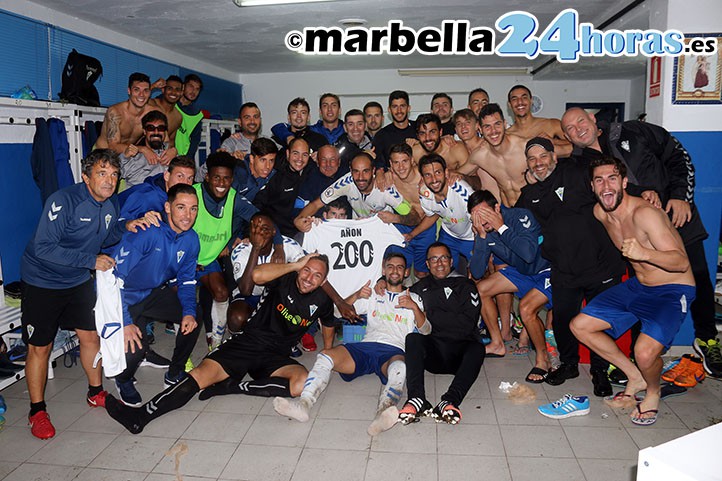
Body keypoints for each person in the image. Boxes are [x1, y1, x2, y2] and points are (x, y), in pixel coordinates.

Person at [561, 107, 721, 378]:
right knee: (641, 286)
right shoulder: (580, 160)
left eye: (580, 121)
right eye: (570, 129)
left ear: (592, 119)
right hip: (635, 230)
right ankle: (639, 357)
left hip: (675, 214)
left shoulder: (633, 130)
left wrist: (681, 195)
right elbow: (605, 191)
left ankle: (708, 340)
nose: (578, 129)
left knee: (698, 276)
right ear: (568, 137)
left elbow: (678, 156)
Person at [105, 254, 335, 434]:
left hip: (275, 357)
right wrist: (295, 265)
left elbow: (328, 322)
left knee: (301, 383)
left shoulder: (323, 300)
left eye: (317, 275)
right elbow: (257, 275)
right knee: (198, 376)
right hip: (246, 342)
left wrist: (327, 350)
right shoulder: (284, 278)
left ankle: (231, 387)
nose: (308, 278)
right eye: (307, 270)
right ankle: (141, 416)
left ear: (323, 280)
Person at [20, 149, 149, 439]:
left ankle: (95, 392)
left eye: (114, 174)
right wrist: (90, 261)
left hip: (77, 280)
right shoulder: (64, 201)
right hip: (43, 281)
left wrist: (125, 226)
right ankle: (37, 410)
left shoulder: (110, 205)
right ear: (86, 177)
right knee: (40, 347)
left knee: (91, 337)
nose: (109, 180)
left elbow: (106, 235)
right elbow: (44, 247)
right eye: (102, 173)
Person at [571, 157, 695, 425]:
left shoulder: (646, 214)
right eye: (599, 180)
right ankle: (634, 376)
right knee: (580, 326)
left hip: (673, 289)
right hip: (639, 287)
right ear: (592, 186)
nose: (606, 185)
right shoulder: (600, 213)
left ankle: (653, 391)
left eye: (612, 178)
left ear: (625, 182)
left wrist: (644, 253)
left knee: (645, 352)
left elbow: (681, 262)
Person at [273, 253, 430, 435]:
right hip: (365, 346)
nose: (394, 270)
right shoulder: (373, 294)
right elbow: (338, 315)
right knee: (326, 355)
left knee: (400, 368)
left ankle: (384, 412)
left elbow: (426, 330)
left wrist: (414, 307)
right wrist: (356, 295)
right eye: (390, 266)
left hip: (393, 350)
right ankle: (304, 404)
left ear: (406, 272)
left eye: (400, 267)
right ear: (383, 270)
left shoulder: (414, 298)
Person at [516, 137, 624, 395]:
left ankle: (600, 370)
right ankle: (569, 364)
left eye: (543, 156)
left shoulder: (576, 172)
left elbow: (607, 178)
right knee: (563, 319)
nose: (538, 162)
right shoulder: (529, 194)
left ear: (555, 157)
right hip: (563, 269)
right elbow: (517, 223)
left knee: (600, 320)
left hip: (601, 265)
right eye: (532, 158)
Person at [108, 183, 202, 405]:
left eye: (193, 209)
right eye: (181, 207)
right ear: (167, 208)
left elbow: (187, 280)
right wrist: (125, 321)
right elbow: (111, 279)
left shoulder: (191, 239)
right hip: (122, 296)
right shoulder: (146, 232)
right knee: (135, 350)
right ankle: (123, 379)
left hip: (151, 293)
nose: (188, 215)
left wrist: (187, 312)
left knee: (194, 313)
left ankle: (174, 373)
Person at [468, 189, 552, 381]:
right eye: (477, 216)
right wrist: (480, 238)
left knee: (526, 308)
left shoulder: (520, 216)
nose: (483, 220)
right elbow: (478, 272)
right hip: (521, 272)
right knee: (480, 290)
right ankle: (497, 343)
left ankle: (543, 358)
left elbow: (529, 254)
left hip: (547, 270)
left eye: (486, 214)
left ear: (497, 208)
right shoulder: (484, 230)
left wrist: (502, 227)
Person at [397, 242, 485, 425]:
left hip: (461, 355)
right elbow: (397, 293)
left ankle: (450, 401)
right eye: (434, 259)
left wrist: (430, 315)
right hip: (435, 354)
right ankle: (416, 399)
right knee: (413, 339)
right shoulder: (421, 286)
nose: (439, 263)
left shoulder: (465, 285)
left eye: (444, 258)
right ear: (427, 264)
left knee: (478, 348)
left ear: (451, 261)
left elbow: (466, 325)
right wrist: (382, 283)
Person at [294, 152, 418, 231]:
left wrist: (396, 218)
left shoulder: (386, 190)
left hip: (382, 230)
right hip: (358, 230)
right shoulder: (346, 182)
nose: (360, 177)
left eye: (365, 171)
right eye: (356, 171)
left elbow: (415, 217)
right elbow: (316, 204)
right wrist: (298, 219)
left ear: (373, 171)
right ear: (350, 171)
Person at [227, 213, 305, 334]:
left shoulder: (289, 245)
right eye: (255, 229)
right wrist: (256, 248)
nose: (259, 233)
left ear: (274, 232)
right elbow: (246, 290)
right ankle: (242, 342)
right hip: (251, 295)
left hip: (280, 296)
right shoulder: (241, 249)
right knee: (237, 318)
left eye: (264, 229)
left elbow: (306, 272)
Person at [456, 103, 529, 207]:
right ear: (480, 129)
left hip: (531, 207)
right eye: (487, 127)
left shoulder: (524, 146)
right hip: (507, 210)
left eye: (497, 124)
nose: (493, 131)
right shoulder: (479, 155)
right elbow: (457, 174)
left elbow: (556, 153)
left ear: (504, 124)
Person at [386, 143, 436, 279]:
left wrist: (413, 234)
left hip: (426, 227)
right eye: (396, 162)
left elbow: (435, 214)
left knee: (422, 272)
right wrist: (380, 173)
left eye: (404, 161)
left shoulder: (426, 178)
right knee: (400, 270)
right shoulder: (391, 177)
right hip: (403, 224)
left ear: (412, 160)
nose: (401, 167)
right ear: (390, 164)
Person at [253, 137, 314, 238]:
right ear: (287, 154)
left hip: (306, 233)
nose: (300, 159)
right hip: (277, 235)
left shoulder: (313, 174)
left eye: (304, 155)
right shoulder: (276, 177)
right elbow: (257, 206)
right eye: (295, 153)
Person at [95, 73, 156, 159]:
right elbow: (113, 146)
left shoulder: (152, 113)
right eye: (136, 90)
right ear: (129, 91)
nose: (141, 95)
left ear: (150, 93)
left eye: (146, 90)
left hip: (126, 156)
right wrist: (143, 149)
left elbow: (164, 139)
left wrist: (172, 151)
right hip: (103, 155)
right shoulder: (115, 112)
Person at [118, 155, 196, 221]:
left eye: (190, 178)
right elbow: (121, 224)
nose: (185, 182)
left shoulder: (187, 198)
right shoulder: (146, 197)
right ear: (167, 176)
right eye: (180, 176)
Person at [506, 85, 572, 157]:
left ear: (531, 101)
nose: (520, 102)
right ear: (509, 105)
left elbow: (574, 145)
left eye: (524, 97)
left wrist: (552, 141)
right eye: (514, 99)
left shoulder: (552, 124)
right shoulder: (507, 135)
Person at [119, 110, 173, 188]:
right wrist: (124, 157)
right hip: (140, 197)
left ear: (165, 132)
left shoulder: (171, 155)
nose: (156, 132)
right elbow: (113, 172)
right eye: (151, 128)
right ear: (144, 131)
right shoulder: (133, 158)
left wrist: (174, 152)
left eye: (160, 128)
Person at [372, 90, 416, 169]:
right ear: (389, 109)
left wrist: (418, 144)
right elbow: (378, 164)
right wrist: (380, 171)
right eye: (395, 106)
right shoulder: (381, 135)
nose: (399, 111)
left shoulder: (419, 129)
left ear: (408, 108)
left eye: (402, 106)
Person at [147, 75, 183, 148]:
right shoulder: (150, 104)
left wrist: (172, 153)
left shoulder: (178, 117)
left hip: (157, 155)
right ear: (163, 90)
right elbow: (137, 98)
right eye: (170, 88)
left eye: (177, 89)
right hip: (136, 152)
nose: (173, 92)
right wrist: (153, 86)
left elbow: (171, 142)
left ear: (181, 93)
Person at [175, 73, 204, 157]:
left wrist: (188, 159)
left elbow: (195, 140)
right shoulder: (170, 102)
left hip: (181, 157)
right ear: (183, 87)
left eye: (197, 89)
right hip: (162, 152)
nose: (193, 91)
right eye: (191, 86)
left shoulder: (197, 115)